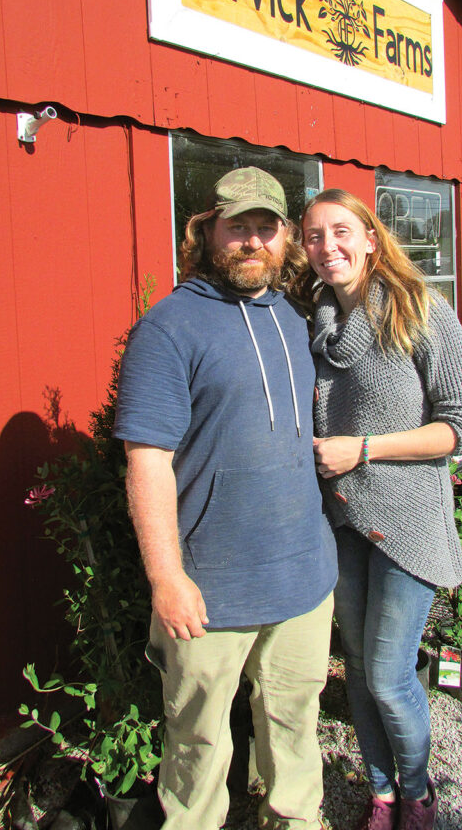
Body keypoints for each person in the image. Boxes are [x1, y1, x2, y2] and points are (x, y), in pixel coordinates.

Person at [113, 167, 337, 830]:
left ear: (285, 238)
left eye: (266, 228)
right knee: (198, 746)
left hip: (303, 580)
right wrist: (167, 576)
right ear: (207, 229)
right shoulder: (169, 328)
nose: (252, 241)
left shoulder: (294, 321)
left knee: (296, 731)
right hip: (210, 591)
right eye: (238, 226)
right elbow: (146, 461)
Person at [298, 188, 462, 830]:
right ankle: (380, 794)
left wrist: (365, 449)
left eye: (341, 231)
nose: (328, 247)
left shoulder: (418, 310)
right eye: (314, 236)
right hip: (344, 522)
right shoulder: (317, 326)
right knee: (355, 668)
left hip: (408, 522)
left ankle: (417, 791)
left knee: (386, 674)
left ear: (372, 239)